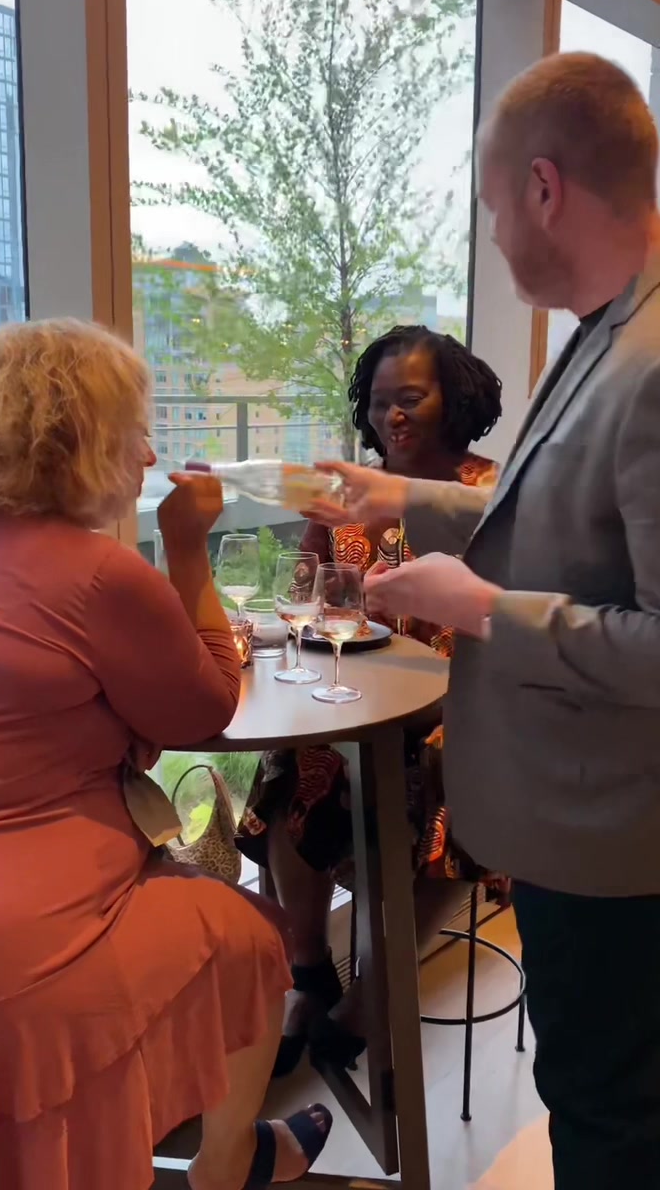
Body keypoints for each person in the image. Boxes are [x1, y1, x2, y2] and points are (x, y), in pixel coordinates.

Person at [309, 52, 660, 1190]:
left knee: (611, 1120)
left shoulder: (651, 360)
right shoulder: (604, 329)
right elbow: (562, 511)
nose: (497, 236)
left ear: (544, 188)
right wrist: (404, 499)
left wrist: (485, 610)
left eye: (495, 205)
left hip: (615, 842)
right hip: (576, 828)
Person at [0, 319, 333, 1190]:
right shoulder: (95, 574)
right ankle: (228, 1162)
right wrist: (187, 547)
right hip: (18, 942)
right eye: (134, 431)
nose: (149, 453)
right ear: (79, 443)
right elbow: (208, 705)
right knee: (249, 936)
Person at [237, 325, 504, 1077]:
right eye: (381, 401)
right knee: (298, 756)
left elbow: (511, 609)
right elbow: (303, 594)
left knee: (449, 779)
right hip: (358, 699)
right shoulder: (351, 494)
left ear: (454, 400)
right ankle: (309, 968)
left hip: (464, 709)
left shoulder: (491, 492)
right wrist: (311, 566)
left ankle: (379, 991)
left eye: (411, 398)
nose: (393, 416)